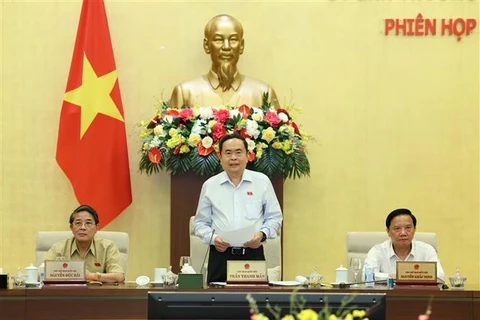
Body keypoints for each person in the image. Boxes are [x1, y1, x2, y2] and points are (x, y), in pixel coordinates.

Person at [192, 133, 283, 283]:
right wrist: (214, 239)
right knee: (218, 302)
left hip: (252, 255)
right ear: (220, 157)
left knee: (254, 304)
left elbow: (275, 217)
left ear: (248, 156)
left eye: (238, 152)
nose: (233, 157)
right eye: (228, 153)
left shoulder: (262, 182)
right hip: (220, 256)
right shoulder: (210, 185)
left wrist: (262, 235)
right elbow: (200, 224)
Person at [170, 14, 280, 109]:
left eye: (233, 40)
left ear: (241, 46)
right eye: (218, 40)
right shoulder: (185, 93)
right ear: (206, 45)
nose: (226, 47)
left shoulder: (263, 93)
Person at [43, 205, 125, 283]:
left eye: (88, 223)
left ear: (97, 228)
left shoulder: (107, 247)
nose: (83, 227)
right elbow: (40, 273)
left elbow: (119, 276)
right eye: (78, 223)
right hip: (66, 295)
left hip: (97, 295)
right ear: (71, 228)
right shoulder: (59, 248)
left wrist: (91, 276)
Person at [364, 208, 445, 283]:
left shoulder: (426, 250)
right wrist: (393, 277)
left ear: (414, 229)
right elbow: (366, 277)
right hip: (388, 297)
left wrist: (405, 276)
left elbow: (440, 277)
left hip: (419, 296)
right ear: (388, 231)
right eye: (397, 228)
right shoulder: (378, 250)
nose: (403, 233)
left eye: (408, 228)